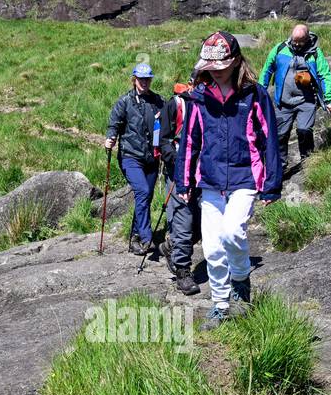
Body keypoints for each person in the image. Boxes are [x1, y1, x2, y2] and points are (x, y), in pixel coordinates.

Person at [176, 32, 282, 330]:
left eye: (222, 64)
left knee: (232, 232)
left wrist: (272, 184)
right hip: (209, 181)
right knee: (211, 248)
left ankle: (240, 284)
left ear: (235, 60)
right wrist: (183, 183)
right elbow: (189, 143)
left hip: (245, 177)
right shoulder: (198, 97)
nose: (216, 69)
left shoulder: (254, 94)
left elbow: (269, 140)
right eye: (211, 65)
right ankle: (220, 304)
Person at [105, 63, 164, 256]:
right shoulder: (125, 102)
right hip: (130, 156)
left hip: (152, 158)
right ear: (134, 80)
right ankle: (147, 238)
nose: (144, 82)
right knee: (143, 191)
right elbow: (114, 122)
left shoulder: (158, 101)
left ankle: (134, 240)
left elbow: (169, 120)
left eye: (147, 79)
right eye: (141, 79)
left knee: (145, 198)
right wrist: (111, 137)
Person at [259, 24, 331, 171]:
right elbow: (267, 69)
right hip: (283, 103)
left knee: (304, 130)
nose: (296, 44)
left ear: (307, 38)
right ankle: (280, 167)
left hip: (306, 101)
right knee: (280, 135)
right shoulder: (280, 49)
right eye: (294, 41)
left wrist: (330, 99)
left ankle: (308, 162)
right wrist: (260, 91)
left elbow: (325, 75)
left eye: (300, 41)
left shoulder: (315, 54)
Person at [160, 77, 201, 295]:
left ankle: (170, 247)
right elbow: (163, 140)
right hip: (179, 172)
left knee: (201, 227)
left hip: (205, 173)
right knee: (184, 223)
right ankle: (183, 272)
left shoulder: (211, 105)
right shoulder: (175, 104)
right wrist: (177, 161)